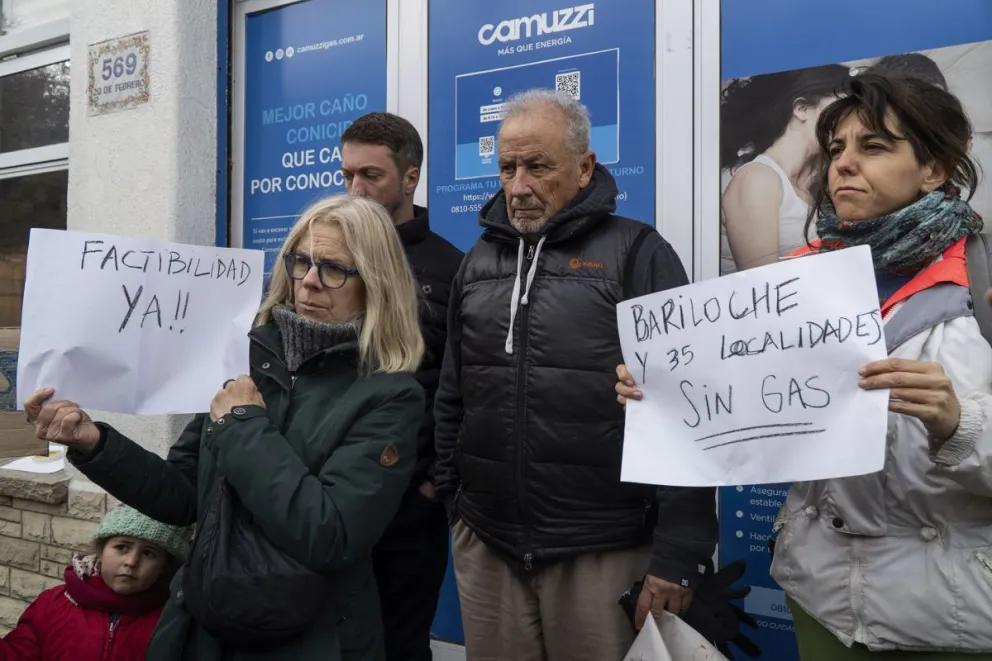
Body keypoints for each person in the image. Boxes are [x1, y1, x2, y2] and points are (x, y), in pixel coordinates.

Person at [619, 73, 992, 659]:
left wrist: (958, 422)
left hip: (948, 615)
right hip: (821, 601)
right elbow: (740, 405)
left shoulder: (983, 281)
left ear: (935, 168)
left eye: (873, 147)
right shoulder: (797, 278)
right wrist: (665, 390)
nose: (843, 163)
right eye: (838, 147)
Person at [23, 194, 427, 661]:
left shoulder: (388, 394)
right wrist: (92, 442)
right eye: (301, 262)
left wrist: (244, 422)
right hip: (203, 629)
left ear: (375, 284)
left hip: (308, 636)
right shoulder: (243, 360)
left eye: (333, 269)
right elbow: (181, 494)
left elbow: (328, 534)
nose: (310, 283)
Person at [433, 88, 717, 661]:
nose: (518, 186)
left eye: (537, 166)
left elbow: (692, 407)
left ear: (585, 167)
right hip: (488, 542)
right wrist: (453, 497)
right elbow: (452, 393)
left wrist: (677, 555)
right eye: (508, 168)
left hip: (605, 547)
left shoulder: (637, 252)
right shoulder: (479, 263)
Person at [341, 112, 463, 661]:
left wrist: (432, 487)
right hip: (328, 496)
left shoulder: (453, 269)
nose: (355, 190)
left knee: (401, 644)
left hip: (410, 507)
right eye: (346, 175)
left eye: (371, 175)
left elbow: (467, 386)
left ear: (410, 178)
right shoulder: (326, 259)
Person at [0, 504, 188, 661]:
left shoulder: (173, 617)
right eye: (122, 547)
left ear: (165, 565)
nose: (131, 562)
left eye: (149, 553)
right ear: (101, 551)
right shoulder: (52, 604)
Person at [720, 64, 851, 273]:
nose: (848, 123)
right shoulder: (757, 179)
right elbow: (764, 288)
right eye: (841, 110)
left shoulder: (813, 183)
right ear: (801, 109)